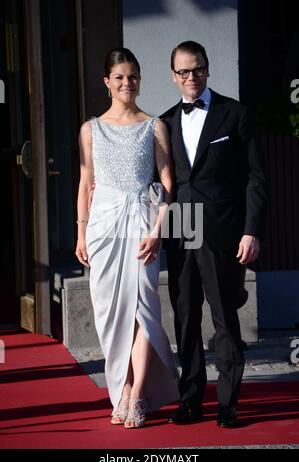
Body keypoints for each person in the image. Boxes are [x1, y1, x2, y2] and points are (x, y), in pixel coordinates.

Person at [160, 41, 267, 427]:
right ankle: (190, 399)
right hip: (180, 222)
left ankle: (228, 402)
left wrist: (250, 230)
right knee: (185, 317)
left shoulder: (235, 114)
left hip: (222, 226)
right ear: (173, 76)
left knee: (224, 316)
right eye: (184, 71)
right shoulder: (165, 121)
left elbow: (256, 178)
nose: (192, 77)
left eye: (199, 69)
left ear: (208, 69)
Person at [75, 47, 179, 429]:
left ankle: (134, 395)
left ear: (140, 80)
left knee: (144, 311)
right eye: (119, 77)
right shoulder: (90, 129)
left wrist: (159, 229)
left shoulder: (154, 126)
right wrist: (81, 231)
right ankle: (122, 385)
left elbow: (167, 184)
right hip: (102, 228)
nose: (126, 83)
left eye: (132, 77)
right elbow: (85, 183)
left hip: (142, 225)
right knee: (110, 315)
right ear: (107, 82)